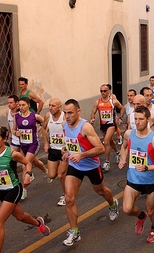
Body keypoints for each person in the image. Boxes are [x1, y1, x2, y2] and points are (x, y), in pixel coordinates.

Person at [0, 126, 50, 253]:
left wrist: (28, 175)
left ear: (4, 138)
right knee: (20, 216)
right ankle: (39, 223)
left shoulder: (12, 154)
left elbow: (27, 163)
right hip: (0, 190)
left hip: (13, 189)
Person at [62, 99, 119, 246]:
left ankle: (113, 204)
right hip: (74, 166)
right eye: (65, 113)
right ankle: (74, 232)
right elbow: (70, 143)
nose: (67, 116)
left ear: (78, 111)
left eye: (70, 113)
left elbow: (100, 148)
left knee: (101, 191)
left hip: (91, 165)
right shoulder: (65, 125)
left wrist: (81, 155)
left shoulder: (85, 127)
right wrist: (65, 151)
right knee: (69, 198)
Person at [118, 106, 154, 243]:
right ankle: (140, 216)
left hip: (150, 181)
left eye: (141, 119)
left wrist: (147, 167)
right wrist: (123, 159)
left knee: (151, 211)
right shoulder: (129, 134)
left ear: (148, 120)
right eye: (135, 119)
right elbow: (124, 146)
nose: (137, 122)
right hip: (133, 179)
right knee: (127, 209)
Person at [127, 94, 154, 209]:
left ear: (144, 103)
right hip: (138, 148)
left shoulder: (152, 116)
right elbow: (129, 132)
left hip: (152, 146)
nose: (135, 106)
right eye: (134, 104)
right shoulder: (133, 115)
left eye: (138, 104)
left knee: (153, 172)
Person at [12, 97, 48, 200]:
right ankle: (46, 172)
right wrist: (16, 133)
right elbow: (13, 130)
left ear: (28, 105)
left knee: (25, 165)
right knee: (35, 162)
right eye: (20, 105)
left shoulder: (34, 116)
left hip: (34, 144)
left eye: (23, 105)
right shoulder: (17, 117)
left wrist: (42, 130)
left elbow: (45, 122)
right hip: (23, 144)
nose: (21, 107)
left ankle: (23, 190)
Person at [90, 84, 124, 171]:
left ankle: (107, 162)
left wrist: (120, 118)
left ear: (109, 91)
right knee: (110, 141)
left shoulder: (113, 101)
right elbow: (93, 112)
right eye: (101, 91)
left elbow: (122, 108)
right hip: (103, 126)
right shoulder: (97, 102)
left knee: (105, 142)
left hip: (111, 125)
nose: (103, 93)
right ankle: (118, 153)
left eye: (105, 91)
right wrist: (92, 118)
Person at [42, 98, 68, 206]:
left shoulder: (65, 117)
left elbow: (71, 132)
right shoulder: (48, 116)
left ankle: (66, 195)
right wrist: (46, 143)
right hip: (53, 149)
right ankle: (69, 177)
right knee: (52, 175)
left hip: (63, 151)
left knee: (60, 175)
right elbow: (43, 129)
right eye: (50, 105)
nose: (51, 108)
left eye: (53, 106)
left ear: (59, 107)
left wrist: (67, 148)